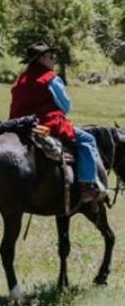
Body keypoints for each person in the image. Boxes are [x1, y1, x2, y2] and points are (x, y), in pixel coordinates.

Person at [9, 40, 106, 205]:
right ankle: (87, 186)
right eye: (51, 56)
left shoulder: (21, 78)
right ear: (41, 59)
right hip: (46, 125)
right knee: (88, 140)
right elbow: (66, 106)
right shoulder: (51, 79)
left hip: (19, 125)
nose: (54, 59)